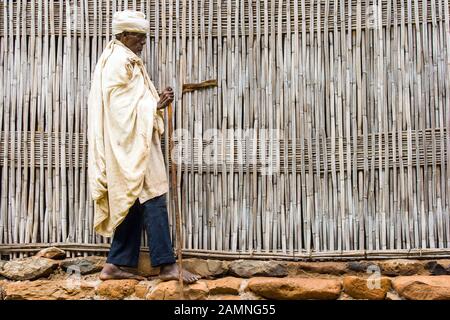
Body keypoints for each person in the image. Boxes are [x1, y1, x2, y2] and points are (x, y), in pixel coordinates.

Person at [87, 10, 198, 283]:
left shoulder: (126, 59)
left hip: (135, 141)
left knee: (133, 201)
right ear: (124, 35)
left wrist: (155, 101)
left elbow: (132, 98)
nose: (143, 42)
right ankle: (167, 265)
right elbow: (118, 108)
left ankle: (115, 264)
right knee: (154, 198)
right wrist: (154, 106)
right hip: (129, 144)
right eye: (139, 37)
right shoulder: (118, 62)